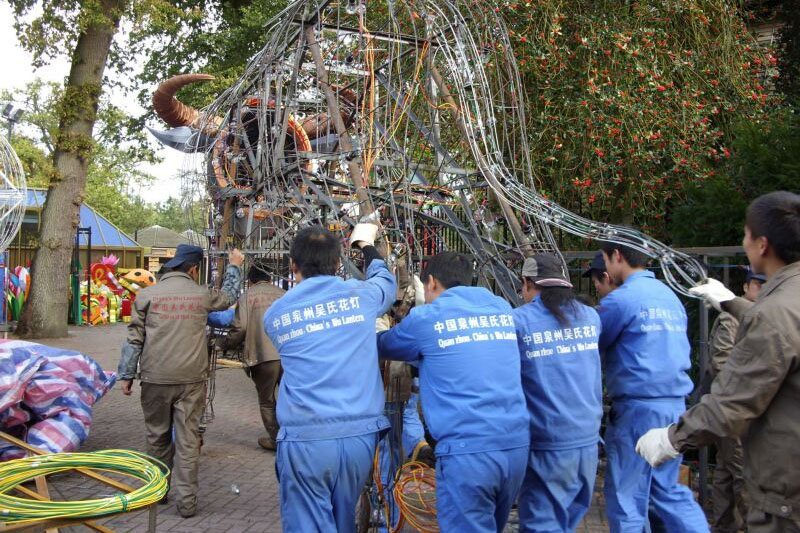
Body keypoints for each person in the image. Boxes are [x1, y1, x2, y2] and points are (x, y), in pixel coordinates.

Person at [636, 191, 800, 533]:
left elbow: (733, 403)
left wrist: (672, 439)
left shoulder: (773, 314)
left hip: (786, 496)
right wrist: (731, 303)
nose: (744, 242)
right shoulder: (784, 302)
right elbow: (785, 330)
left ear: (762, 245)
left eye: (747, 235)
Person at [377, 251, 529, 533]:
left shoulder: (427, 317)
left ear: (432, 282)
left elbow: (384, 345)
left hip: (468, 453)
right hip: (516, 446)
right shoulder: (501, 308)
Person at [262, 224, 396, 532]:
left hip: (307, 439)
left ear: (292, 265)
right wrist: (366, 246)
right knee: (343, 520)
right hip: (359, 438)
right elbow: (385, 283)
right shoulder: (362, 297)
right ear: (337, 264)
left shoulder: (277, 315)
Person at [118, 244, 244, 518]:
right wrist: (234, 265)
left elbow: (134, 338)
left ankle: (157, 493)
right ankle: (186, 504)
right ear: (194, 269)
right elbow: (229, 296)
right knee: (187, 441)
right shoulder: (201, 295)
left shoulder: (146, 295)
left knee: (157, 438)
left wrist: (126, 375)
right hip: (191, 380)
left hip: (154, 378)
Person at [597, 241, 708, 533]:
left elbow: (591, 342)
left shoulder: (620, 300)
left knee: (626, 495)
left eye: (606, 260)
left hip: (637, 409)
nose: (606, 269)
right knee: (666, 489)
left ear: (617, 256)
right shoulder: (669, 297)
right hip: (674, 407)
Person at [512, 254, 603, 533]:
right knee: (566, 522)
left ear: (528, 283)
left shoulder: (519, 321)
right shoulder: (590, 316)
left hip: (549, 444)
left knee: (542, 524)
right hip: (588, 441)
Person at [706, 269, 764, 533]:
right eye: (757, 284)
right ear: (745, 287)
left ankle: (724, 525)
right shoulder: (733, 318)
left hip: (740, 407)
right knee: (743, 473)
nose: (761, 289)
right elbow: (721, 362)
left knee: (726, 471)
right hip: (734, 408)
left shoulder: (765, 315)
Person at [220, 259, 285, 451]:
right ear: (270, 278)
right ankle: (293, 437)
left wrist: (224, 344)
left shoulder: (247, 296)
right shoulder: (283, 294)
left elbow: (240, 328)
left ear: (250, 281)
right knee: (290, 397)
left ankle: (276, 440)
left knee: (267, 400)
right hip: (287, 354)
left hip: (262, 355)